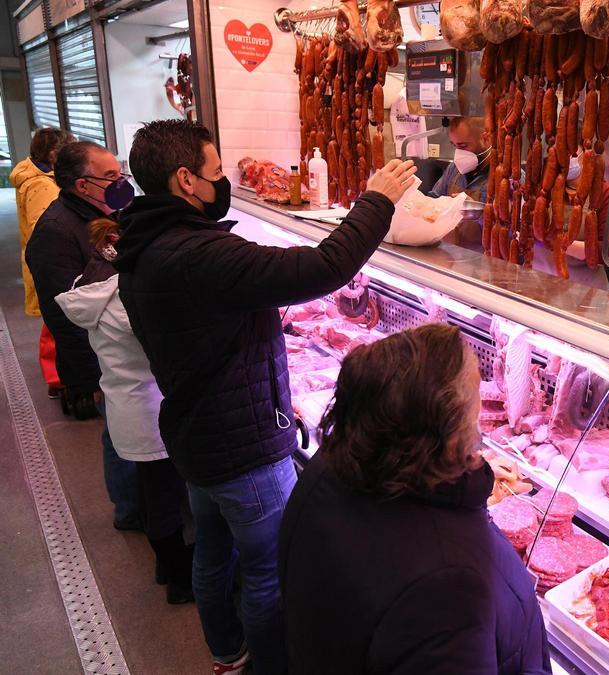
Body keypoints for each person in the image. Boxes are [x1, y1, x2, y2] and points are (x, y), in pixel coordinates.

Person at [113, 118, 416, 675]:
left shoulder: (143, 241)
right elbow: (325, 267)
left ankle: (227, 655)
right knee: (267, 569)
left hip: (195, 434)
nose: (222, 181)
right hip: (244, 448)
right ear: (185, 180)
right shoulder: (196, 253)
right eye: (216, 172)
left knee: (212, 550)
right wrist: (377, 200)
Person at [280, 324, 551, 674]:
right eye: (473, 401)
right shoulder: (446, 587)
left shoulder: (329, 465)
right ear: (447, 433)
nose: (480, 415)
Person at [55, 217, 193, 604]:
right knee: (163, 495)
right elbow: (169, 345)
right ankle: (178, 578)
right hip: (150, 411)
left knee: (154, 491)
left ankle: (168, 565)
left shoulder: (93, 286)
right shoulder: (124, 299)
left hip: (126, 405)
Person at [25, 140, 141, 529]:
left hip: (120, 347)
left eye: (119, 172)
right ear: (81, 185)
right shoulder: (55, 232)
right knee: (118, 436)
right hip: (100, 356)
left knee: (126, 430)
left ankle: (141, 503)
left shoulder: (107, 210)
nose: (120, 181)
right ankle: (130, 512)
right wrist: (88, 379)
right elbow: (64, 314)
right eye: (110, 176)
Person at [12, 127, 75, 397]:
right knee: (56, 321)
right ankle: (57, 379)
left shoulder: (45, 179)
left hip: (47, 263)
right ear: (53, 154)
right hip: (50, 265)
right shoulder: (41, 186)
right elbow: (47, 231)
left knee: (57, 319)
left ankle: (60, 375)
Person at [531, 146, 609, 291]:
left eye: (571, 152)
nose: (565, 158)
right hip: (538, 287)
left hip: (584, 293)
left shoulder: (606, 194)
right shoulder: (544, 187)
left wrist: (557, 243)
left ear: (587, 155)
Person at [429, 116, 493, 202]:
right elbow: (434, 198)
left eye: (463, 146)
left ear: (486, 139)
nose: (458, 153)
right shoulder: (453, 168)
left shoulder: (502, 177)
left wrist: (476, 210)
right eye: (454, 145)